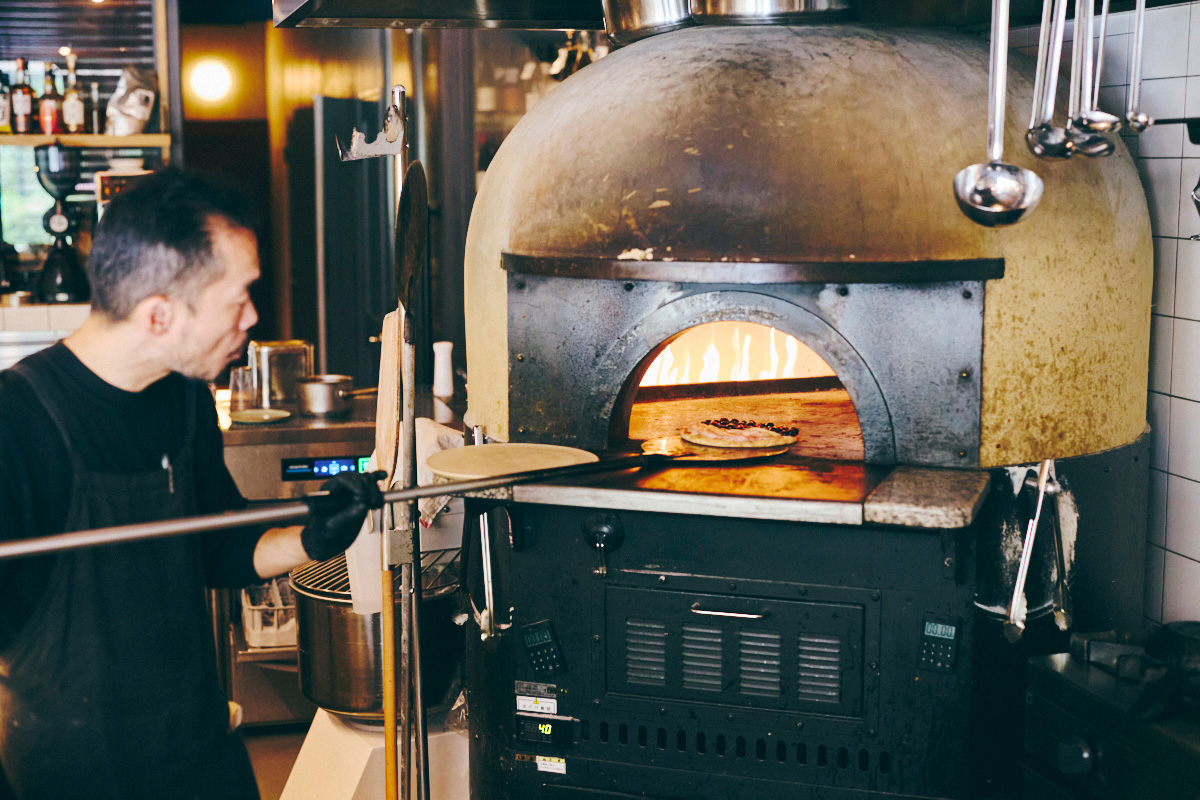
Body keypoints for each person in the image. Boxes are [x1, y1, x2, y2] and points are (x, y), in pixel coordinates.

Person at [0, 169, 384, 800]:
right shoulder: (18, 420)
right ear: (159, 315)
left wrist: (314, 538)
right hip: (68, 771)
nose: (253, 318)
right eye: (239, 300)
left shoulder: (184, 400)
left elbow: (216, 543)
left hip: (199, 755)